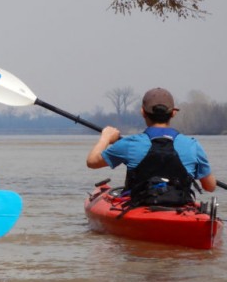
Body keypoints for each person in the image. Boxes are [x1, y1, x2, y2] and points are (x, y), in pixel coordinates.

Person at [86, 87, 216, 205]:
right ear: (173, 113)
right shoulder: (193, 145)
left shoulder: (129, 144)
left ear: (143, 112)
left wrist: (105, 138)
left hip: (141, 207)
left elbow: (92, 162)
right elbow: (210, 186)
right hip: (180, 206)